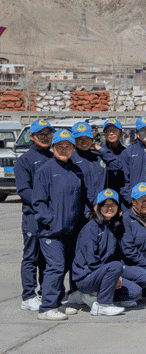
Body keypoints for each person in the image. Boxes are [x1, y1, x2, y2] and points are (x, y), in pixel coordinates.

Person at [32, 130, 88, 320]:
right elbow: (38, 202)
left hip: (71, 230)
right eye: (60, 146)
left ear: (73, 148)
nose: (64, 150)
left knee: (63, 267)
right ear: (53, 147)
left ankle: (56, 302)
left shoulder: (75, 170)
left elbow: (80, 199)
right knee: (55, 267)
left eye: (68, 146)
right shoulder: (44, 170)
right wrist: (50, 221)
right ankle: (46, 308)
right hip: (52, 232)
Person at [72, 189, 141, 316]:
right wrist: (114, 274)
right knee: (116, 266)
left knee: (135, 292)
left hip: (105, 273)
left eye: (113, 205)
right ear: (98, 207)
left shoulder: (113, 226)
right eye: (105, 205)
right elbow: (92, 261)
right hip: (86, 277)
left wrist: (116, 276)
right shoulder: (91, 227)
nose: (109, 208)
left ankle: (96, 296)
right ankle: (101, 304)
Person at [15, 119, 54, 312]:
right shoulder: (25, 160)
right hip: (33, 217)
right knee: (31, 256)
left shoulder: (54, 157)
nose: (45, 137)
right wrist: (43, 207)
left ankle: (45, 292)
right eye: (41, 134)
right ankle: (28, 296)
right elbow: (24, 190)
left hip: (51, 217)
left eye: (48, 134)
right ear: (32, 137)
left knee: (47, 258)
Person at [99, 118, 128, 209]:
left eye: (115, 130)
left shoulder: (127, 153)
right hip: (104, 198)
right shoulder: (98, 153)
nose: (111, 133)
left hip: (123, 198)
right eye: (108, 131)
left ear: (121, 134)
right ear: (104, 135)